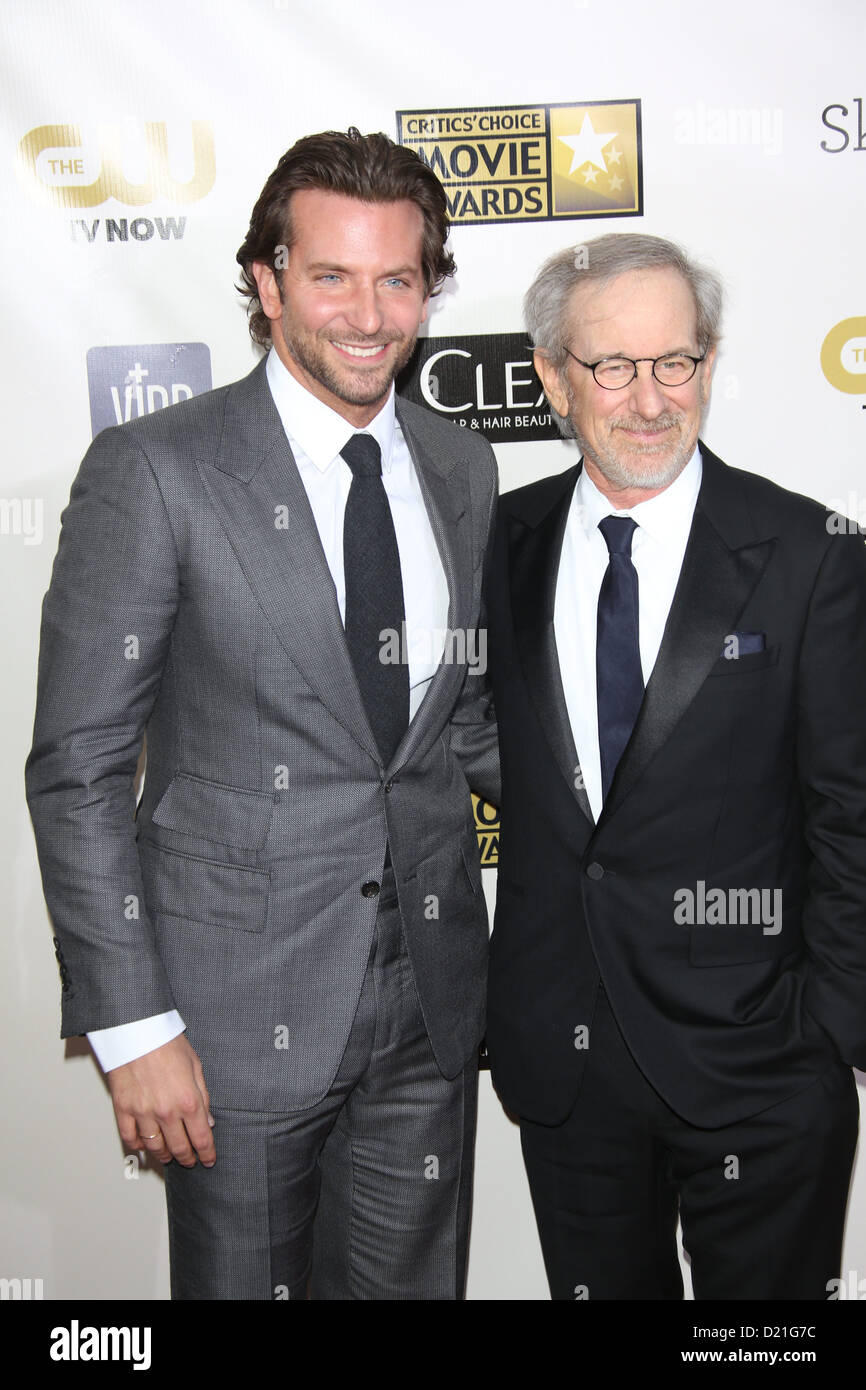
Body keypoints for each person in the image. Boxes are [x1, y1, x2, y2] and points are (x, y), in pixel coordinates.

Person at [26, 127, 499, 1301]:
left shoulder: (458, 467)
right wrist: (133, 1027)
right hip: (231, 1017)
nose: (366, 314)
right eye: (331, 275)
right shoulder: (155, 469)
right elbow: (78, 765)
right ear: (266, 278)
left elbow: (468, 723)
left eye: (397, 279)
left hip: (430, 1008)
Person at [485, 232, 865, 1300]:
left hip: (758, 1063)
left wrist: (825, 1029)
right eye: (610, 365)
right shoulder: (502, 541)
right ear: (552, 377)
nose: (648, 399)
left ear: (707, 362)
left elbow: (852, 807)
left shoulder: (809, 551)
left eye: (674, 362)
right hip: (567, 1064)